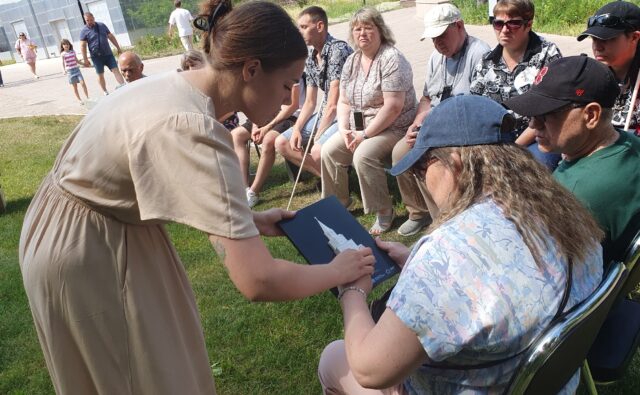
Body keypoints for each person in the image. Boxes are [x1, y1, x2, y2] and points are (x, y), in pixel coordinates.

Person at [18, 1, 375, 393]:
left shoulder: (178, 89)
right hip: (88, 253)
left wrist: (249, 220)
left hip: (89, 229)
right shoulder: (195, 130)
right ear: (251, 69)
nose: (289, 99)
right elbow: (258, 279)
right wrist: (338, 272)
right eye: (287, 84)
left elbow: (153, 179)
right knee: (139, 375)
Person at [318, 95, 604, 394]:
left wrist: (352, 289)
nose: (421, 179)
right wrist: (416, 263)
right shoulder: (565, 214)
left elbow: (369, 369)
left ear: (454, 164)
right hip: (542, 383)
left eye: (421, 169)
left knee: (334, 359)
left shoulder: (449, 253)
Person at [506, 55, 640, 265]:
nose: (533, 124)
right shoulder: (630, 144)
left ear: (591, 115)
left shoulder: (574, 193)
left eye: (547, 113)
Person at [392, 3, 490, 236]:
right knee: (400, 152)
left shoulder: (480, 53)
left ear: (459, 26)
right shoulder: (437, 56)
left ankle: (450, 219)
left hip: (463, 131)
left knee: (434, 159)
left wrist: (435, 128)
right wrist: (418, 121)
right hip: (436, 125)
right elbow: (427, 97)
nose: (437, 43)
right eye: (433, 39)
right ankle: (421, 213)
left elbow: (478, 109)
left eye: (441, 36)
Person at [321, 7, 417, 235]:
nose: (362, 33)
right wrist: (344, 129)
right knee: (329, 151)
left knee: (363, 154)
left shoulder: (392, 58)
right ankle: (338, 204)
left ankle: (384, 211)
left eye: (368, 27)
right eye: (357, 29)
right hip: (358, 126)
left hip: (395, 126)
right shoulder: (352, 60)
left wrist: (364, 135)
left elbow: (393, 107)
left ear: (380, 30)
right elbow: (344, 101)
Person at [470, 0, 562, 170]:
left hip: (539, 136)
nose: (504, 30)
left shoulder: (547, 54)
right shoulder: (486, 62)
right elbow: (476, 107)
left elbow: (550, 110)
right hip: (497, 139)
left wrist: (513, 149)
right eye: (498, 23)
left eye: (513, 24)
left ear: (528, 25)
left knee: (530, 171)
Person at [275, 6, 353, 177]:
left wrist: (318, 135)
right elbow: (310, 102)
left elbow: (333, 105)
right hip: (327, 113)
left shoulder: (337, 50)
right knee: (282, 142)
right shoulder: (311, 56)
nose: (300, 32)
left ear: (319, 26)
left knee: (317, 150)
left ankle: (337, 186)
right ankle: (331, 179)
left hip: (346, 113)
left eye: (303, 27)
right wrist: (297, 129)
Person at [231, 76, 305, 207]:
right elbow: (258, 101)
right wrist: (255, 125)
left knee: (268, 140)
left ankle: (254, 192)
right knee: (236, 135)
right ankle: (244, 188)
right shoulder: (270, 70)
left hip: (288, 117)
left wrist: (266, 128)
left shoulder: (295, 73)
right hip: (267, 115)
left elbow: (293, 106)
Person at [577, 1, 640, 135]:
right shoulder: (591, 75)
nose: (597, 47)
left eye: (607, 39)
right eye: (594, 39)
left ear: (634, 37)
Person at [80, 12, 125, 95]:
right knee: (100, 74)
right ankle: (105, 91)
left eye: (91, 19)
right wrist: (85, 59)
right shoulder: (84, 31)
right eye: (87, 20)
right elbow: (83, 46)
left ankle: (123, 86)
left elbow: (111, 36)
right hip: (96, 57)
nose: (89, 22)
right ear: (85, 20)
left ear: (94, 18)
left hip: (108, 54)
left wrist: (118, 48)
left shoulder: (102, 25)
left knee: (115, 70)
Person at [60, 39, 89, 104]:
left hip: (77, 69)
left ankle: (87, 98)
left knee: (82, 83)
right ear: (62, 46)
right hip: (70, 72)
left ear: (69, 45)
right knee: (75, 87)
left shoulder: (73, 52)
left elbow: (77, 60)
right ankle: (80, 100)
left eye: (67, 44)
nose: (66, 45)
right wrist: (63, 70)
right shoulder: (62, 54)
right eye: (64, 44)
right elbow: (62, 63)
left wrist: (84, 64)